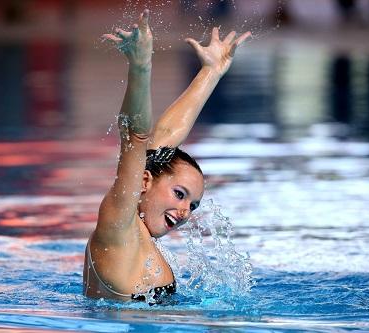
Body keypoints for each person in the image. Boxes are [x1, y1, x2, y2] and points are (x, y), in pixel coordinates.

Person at [83, 9, 250, 303]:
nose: (185, 211)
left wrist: (210, 71)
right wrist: (140, 66)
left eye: (193, 204)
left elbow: (164, 136)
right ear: (144, 181)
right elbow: (135, 136)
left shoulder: (132, 235)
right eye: (179, 193)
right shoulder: (119, 223)